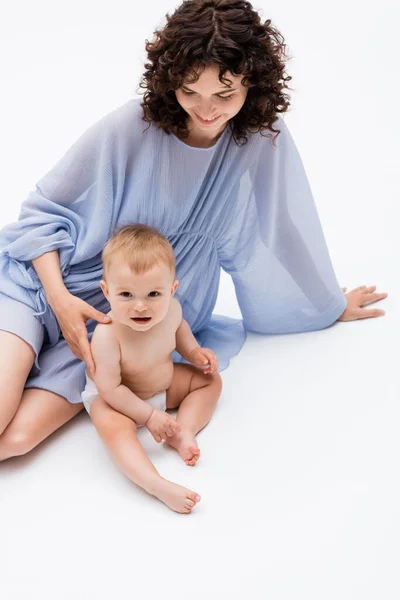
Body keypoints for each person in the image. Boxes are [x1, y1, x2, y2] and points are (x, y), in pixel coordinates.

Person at [0, 0, 387, 461]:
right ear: (171, 80)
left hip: (128, 322)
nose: (207, 110)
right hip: (45, 289)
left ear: (253, 84)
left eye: (225, 95)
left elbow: (279, 225)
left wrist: (324, 302)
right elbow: (41, 215)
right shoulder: (132, 126)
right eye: (190, 90)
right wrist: (61, 302)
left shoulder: (258, 138)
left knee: (17, 442)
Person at [81, 223, 221, 513]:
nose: (140, 307)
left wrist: (194, 352)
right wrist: (148, 415)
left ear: (172, 289)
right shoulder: (108, 336)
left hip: (162, 385)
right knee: (114, 429)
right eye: (126, 295)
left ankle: (183, 430)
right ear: (107, 292)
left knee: (211, 381)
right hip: (118, 400)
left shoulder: (172, 311)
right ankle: (155, 483)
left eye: (153, 295)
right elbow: (110, 388)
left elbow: (179, 330)